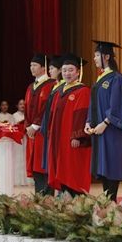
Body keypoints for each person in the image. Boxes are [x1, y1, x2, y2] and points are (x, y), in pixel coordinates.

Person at [85, 40, 122, 202]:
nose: (95, 58)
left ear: (107, 57)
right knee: (103, 168)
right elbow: (93, 103)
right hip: (98, 129)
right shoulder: (100, 79)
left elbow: (117, 104)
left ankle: (111, 201)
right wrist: (88, 121)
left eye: (97, 55)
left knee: (111, 165)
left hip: (111, 130)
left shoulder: (116, 78)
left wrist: (105, 123)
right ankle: (107, 202)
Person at [47, 54, 92, 196]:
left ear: (78, 72)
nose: (67, 73)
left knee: (73, 169)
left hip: (72, 140)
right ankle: (66, 198)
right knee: (61, 168)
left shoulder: (83, 91)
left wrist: (77, 136)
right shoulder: (59, 91)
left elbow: (81, 115)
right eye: (65, 70)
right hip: (59, 139)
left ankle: (77, 199)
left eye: (71, 70)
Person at [24, 53, 56, 195]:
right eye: (31, 65)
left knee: (44, 165)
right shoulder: (31, 87)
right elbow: (26, 108)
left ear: (44, 68)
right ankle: (38, 197)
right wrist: (27, 127)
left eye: (35, 65)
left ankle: (47, 198)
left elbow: (46, 107)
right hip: (32, 133)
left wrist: (35, 126)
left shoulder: (51, 85)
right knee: (35, 167)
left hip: (44, 132)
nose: (32, 68)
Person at [39, 55, 64, 187]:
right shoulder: (54, 86)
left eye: (52, 68)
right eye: (49, 69)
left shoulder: (63, 87)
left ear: (60, 70)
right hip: (49, 129)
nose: (49, 71)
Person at [10, 99, 30, 186]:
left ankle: (27, 179)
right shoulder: (14, 116)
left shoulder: (28, 115)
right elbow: (11, 128)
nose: (22, 106)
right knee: (18, 157)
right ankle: (17, 180)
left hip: (26, 138)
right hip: (17, 139)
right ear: (17, 106)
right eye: (20, 104)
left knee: (26, 157)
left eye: (24, 104)